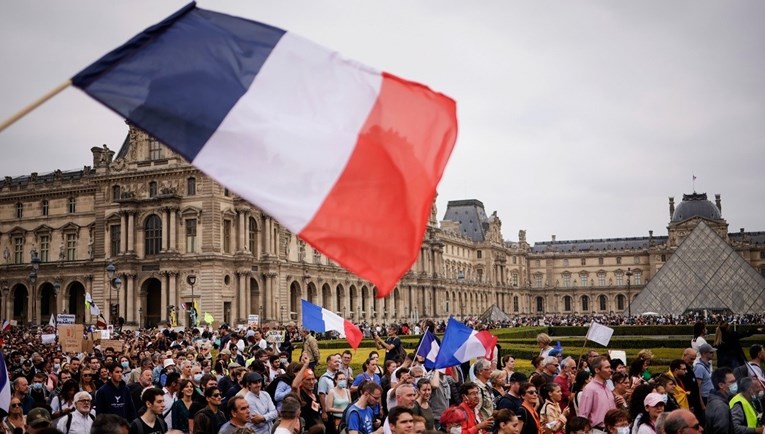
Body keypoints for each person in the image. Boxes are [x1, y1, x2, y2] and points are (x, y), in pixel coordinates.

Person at [578, 357, 615, 431]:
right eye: (607, 367)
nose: (610, 370)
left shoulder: (607, 386)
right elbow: (583, 415)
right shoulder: (589, 389)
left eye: (610, 367)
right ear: (597, 370)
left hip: (612, 429)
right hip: (598, 430)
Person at [705, 367, 737, 434]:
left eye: (735, 381)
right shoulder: (720, 407)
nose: (735, 384)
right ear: (721, 385)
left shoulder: (713, 399)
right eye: (732, 382)